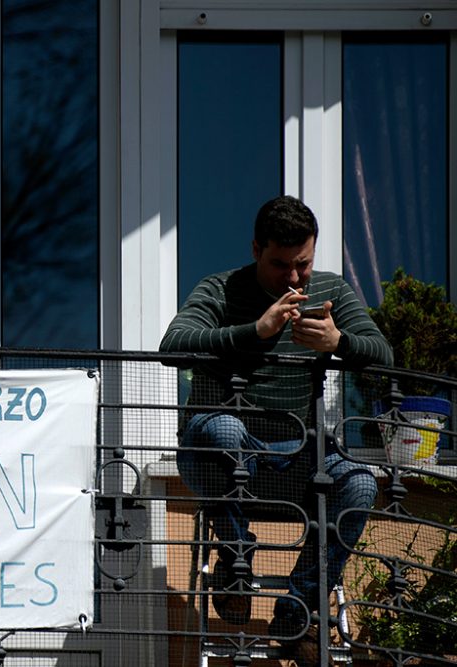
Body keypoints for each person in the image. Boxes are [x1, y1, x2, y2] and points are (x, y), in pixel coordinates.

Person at [159, 195, 393, 663]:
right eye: (280, 265)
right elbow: (173, 344)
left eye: (302, 265)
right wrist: (256, 331)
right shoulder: (221, 290)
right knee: (222, 430)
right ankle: (236, 562)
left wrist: (339, 342)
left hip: (297, 459)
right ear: (254, 250)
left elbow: (382, 354)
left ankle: (297, 611)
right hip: (222, 456)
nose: (293, 278)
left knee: (359, 482)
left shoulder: (331, 290)